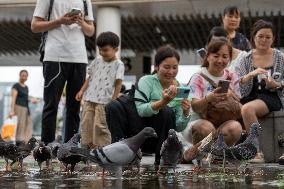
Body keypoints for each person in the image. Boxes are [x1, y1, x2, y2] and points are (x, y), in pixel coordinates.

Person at [31, 0, 95, 143]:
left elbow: (90, 31)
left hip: (79, 58)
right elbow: (35, 26)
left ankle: (70, 148)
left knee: (74, 107)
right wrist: (60, 21)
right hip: (54, 56)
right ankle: (46, 147)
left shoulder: (85, 1)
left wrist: (81, 22)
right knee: (51, 105)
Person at [183, 38, 243, 162]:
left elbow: (240, 108)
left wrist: (232, 100)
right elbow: (195, 107)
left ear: (230, 59)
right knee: (207, 128)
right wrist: (208, 99)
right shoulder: (198, 77)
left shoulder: (232, 76)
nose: (220, 60)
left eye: (225, 56)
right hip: (199, 122)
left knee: (236, 127)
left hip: (222, 122)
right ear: (208, 56)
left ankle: (206, 154)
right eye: (216, 56)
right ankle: (206, 154)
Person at [236, 20, 284, 162]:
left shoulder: (280, 57)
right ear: (253, 38)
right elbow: (238, 81)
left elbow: (282, 84)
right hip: (248, 95)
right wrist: (251, 74)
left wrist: (275, 84)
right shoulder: (245, 58)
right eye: (260, 36)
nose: (264, 40)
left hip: (270, 96)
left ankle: (256, 152)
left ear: (273, 39)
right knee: (234, 106)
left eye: (268, 37)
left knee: (247, 109)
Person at [134, 46, 191, 165]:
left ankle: (166, 157)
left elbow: (178, 127)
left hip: (165, 136)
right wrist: (163, 102)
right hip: (143, 130)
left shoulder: (181, 89)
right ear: (156, 67)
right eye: (166, 67)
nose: (171, 72)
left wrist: (186, 113)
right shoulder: (146, 81)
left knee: (167, 112)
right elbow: (141, 110)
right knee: (165, 110)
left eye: (175, 67)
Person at [75, 32, 125, 149]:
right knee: (86, 123)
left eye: (105, 50)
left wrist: (113, 100)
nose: (102, 53)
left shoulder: (119, 64)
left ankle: (102, 149)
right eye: (100, 50)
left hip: (104, 101)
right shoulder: (97, 60)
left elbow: (118, 84)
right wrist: (82, 91)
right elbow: (90, 77)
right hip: (89, 98)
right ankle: (87, 148)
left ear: (115, 49)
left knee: (100, 125)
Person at [9, 70, 33, 146]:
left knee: (28, 125)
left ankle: (25, 142)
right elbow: (13, 99)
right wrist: (12, 110)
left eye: (25, 76)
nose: (24, 77)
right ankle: (18, 144)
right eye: (22, 75)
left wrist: (31, 100)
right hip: (18, 108)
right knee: (20, 126)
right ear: (19, 75)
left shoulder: (26, 87)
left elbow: (26, 98)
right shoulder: (16, 86)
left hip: (26, 108)